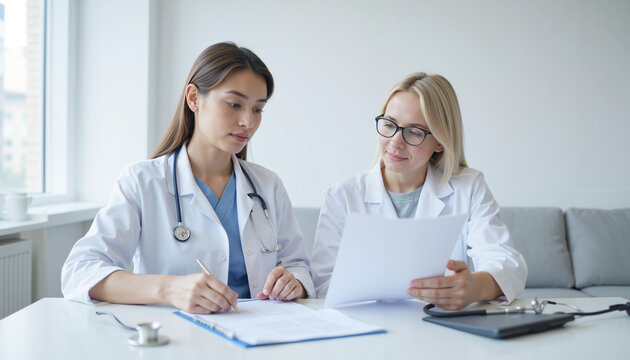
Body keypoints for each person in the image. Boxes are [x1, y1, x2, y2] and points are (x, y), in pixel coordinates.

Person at [62, 42, 314, 313]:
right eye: (234, 104)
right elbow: (80, 271)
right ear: (194, 98)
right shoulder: (142, 182)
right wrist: (169, 288)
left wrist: (294, 282)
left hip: (260, 337)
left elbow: (298, 265)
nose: (248, 122)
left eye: (257, 109)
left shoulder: (268, 185)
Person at [310, 73, 527, 310]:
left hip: (440, 330)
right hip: (365, 329)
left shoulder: (469, 186)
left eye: (414, 132)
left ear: (440, 142)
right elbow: (323, 286)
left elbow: (506, 262)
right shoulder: (342, 195)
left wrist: (474, 287)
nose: (395, 142)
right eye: (390, 125)